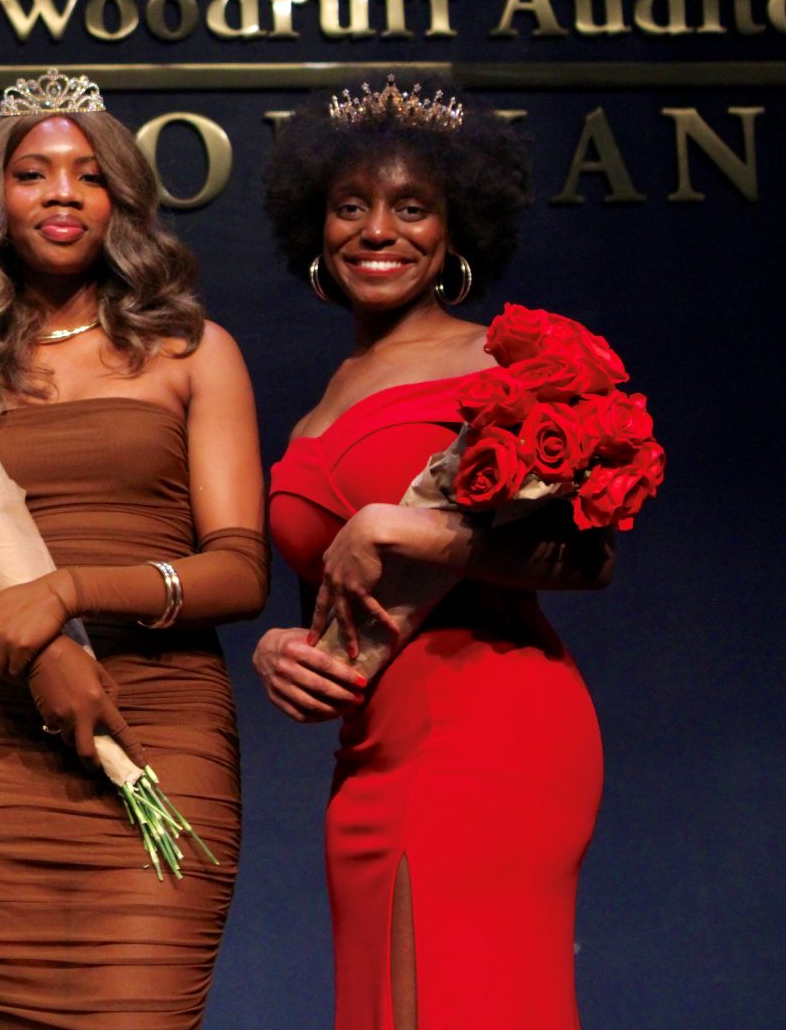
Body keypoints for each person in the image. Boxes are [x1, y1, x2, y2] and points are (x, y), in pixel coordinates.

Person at [0, 70, 269, 1028]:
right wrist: (17, 642)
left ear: (120, 200)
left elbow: (242, 568)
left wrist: (70, 590)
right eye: (34, 172)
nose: (60, 194)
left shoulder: (193, 350)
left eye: (87, 176)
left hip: (157, 730)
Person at [254, 76, 614, 1029]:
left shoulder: (501, 361)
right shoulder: (323, 397)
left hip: (492, 726)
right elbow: (339, 604)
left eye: (412, 207)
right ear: (317, 231)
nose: (380, 230)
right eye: (352, 207)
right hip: (369, 755)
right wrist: (283, 652)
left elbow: (590, 558)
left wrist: (399, 524)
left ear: (455, 232)